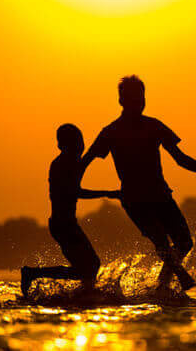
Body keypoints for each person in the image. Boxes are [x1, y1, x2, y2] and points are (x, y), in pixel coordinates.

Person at [82, 75, 196, 291]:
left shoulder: (154, 126)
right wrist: (68, 182)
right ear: (121, 101)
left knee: (185, 243)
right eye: (133, 99)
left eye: (141, 98)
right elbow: (86, 160)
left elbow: (180, 158)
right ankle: (177, 274)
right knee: (161, 241)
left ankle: (161, 287)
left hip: (160, 195)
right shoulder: (111, 132)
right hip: (134, 199)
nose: (139, 103)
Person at [20, 123, 120, 298]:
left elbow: (80, 172)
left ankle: (84, 294)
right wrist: (107, 193)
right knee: (90, 266)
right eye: (76, 142)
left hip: (66, 223)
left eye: (81, 141)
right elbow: (74, 191)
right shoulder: (63, 163)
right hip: (63, 225)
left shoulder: (70, 162)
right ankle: (33, 274)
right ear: (62, 145)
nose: (80, 146)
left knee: (88, 267)